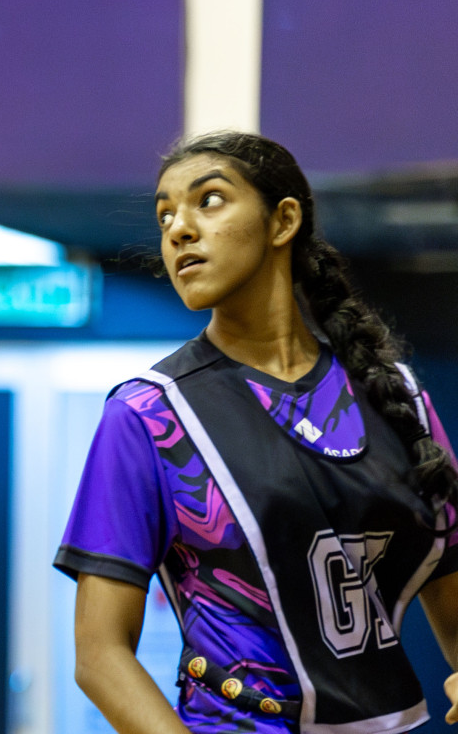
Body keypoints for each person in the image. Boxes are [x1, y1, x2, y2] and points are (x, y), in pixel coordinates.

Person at [56, 131, 458, 733]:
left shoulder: (394, 396)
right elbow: (98, 654)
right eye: (165, 214)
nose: (178, 229)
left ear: (283, 221)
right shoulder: (147, 416)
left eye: (208, 201)